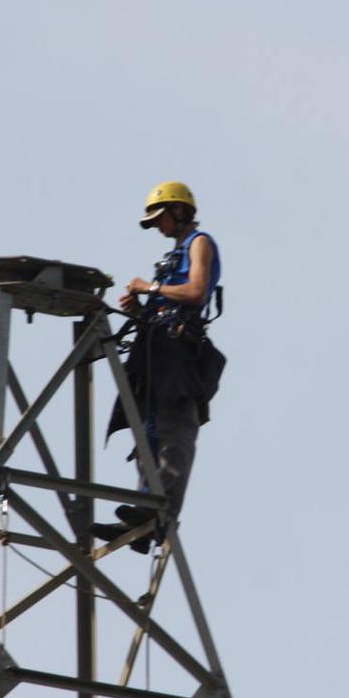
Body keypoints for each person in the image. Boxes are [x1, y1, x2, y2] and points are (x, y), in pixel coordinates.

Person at [92, 181, 225, 552]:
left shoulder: (200, 242)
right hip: (158, 347)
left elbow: (196, 291)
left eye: (160, 218)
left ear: (179, 211)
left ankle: (160, 512)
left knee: (172, 434)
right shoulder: (172, 256)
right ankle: (144, 510)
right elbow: (167, 297)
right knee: (146, 432)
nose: (158, 227)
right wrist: (142, 309)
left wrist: (149, 289)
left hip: (180, 351)